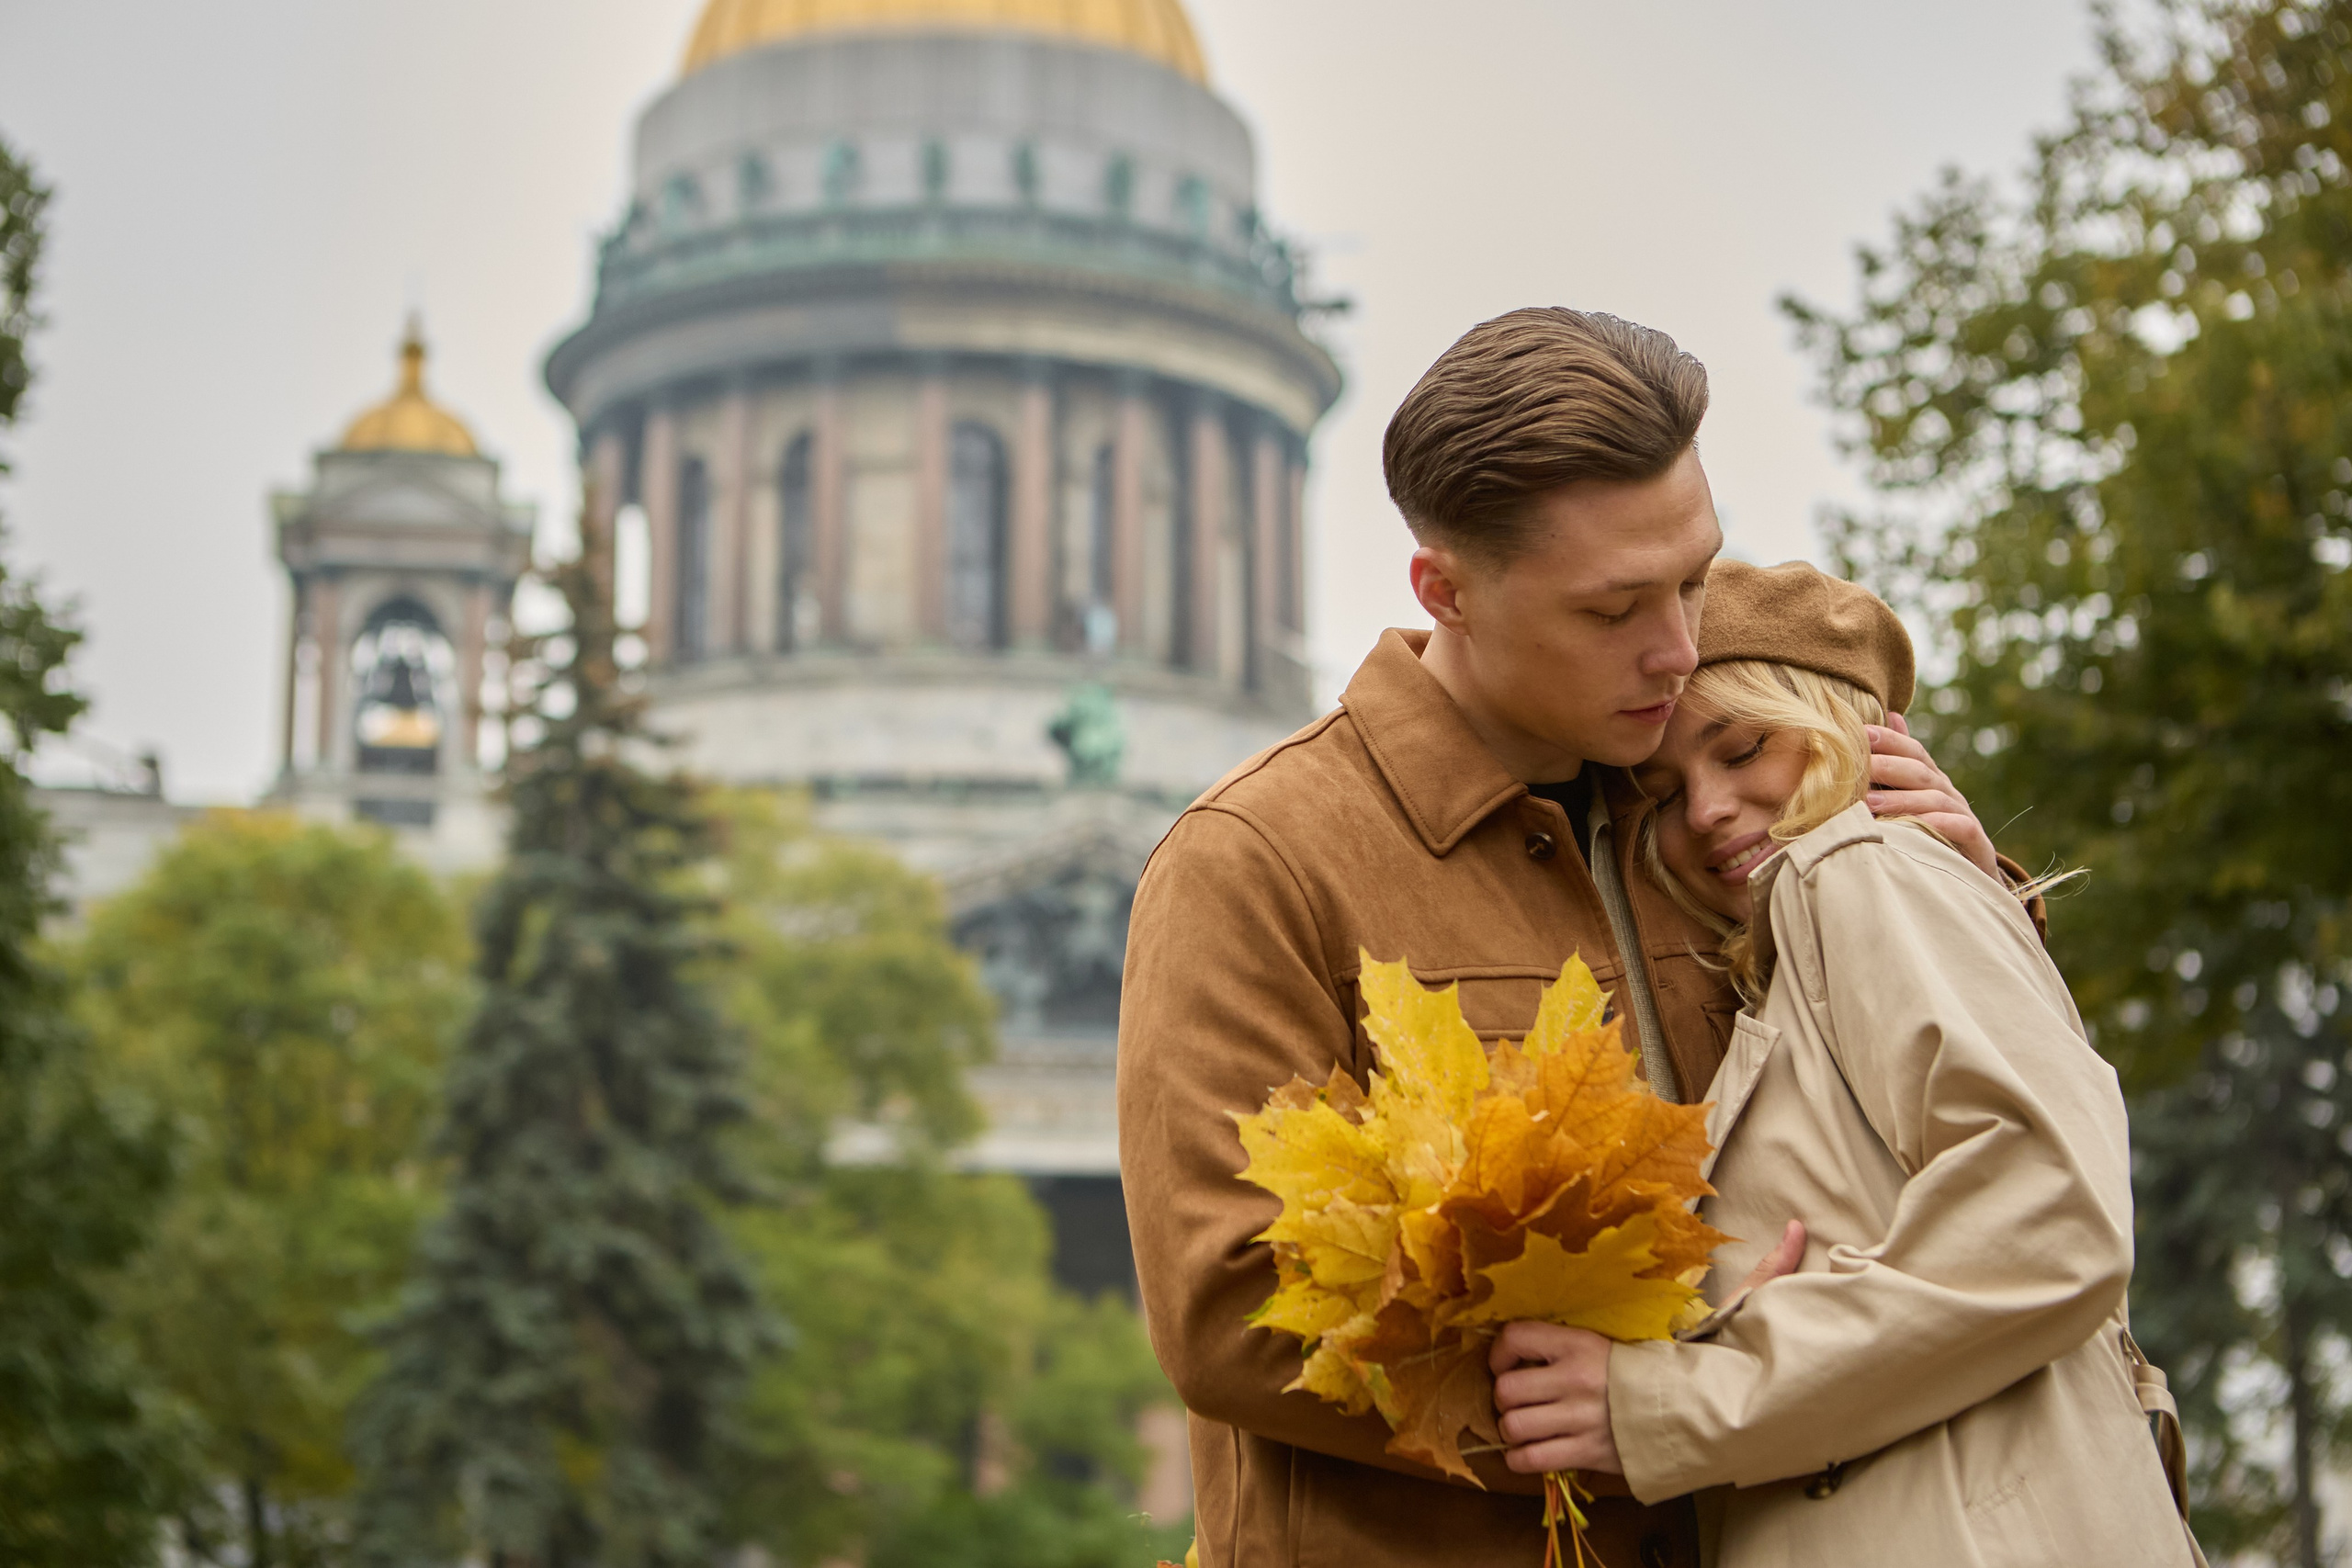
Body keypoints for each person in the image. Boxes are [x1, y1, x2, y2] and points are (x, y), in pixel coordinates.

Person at [1116, 310, 2011, 1568]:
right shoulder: (1256, 860)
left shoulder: (1715, 802)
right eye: (1614, 609)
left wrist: (1977, 897)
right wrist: (1663, 1386)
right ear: (1447, 591)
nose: (1681, 647)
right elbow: (1233, 1308)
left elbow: (1954, 1138)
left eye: (1696, 578)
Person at [1487, 559, 2203, 1566]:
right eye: (1663, 792)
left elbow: (2050, 1220)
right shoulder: (1786, 957)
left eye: (1743, 750)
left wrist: (1662, 1404)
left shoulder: (1855, 873)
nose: (1705, 810)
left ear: (1844, 735)